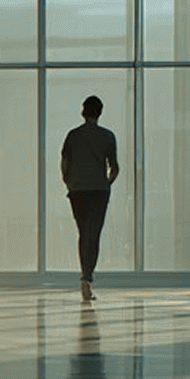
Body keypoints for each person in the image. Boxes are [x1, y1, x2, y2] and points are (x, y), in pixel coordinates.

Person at [60, 95, 119, 301]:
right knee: (93, 235)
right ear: (100, 112)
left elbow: (65, 163)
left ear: (83, 111)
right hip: (98, 191)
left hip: (78, 190)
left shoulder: (73, 136)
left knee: (83, 232)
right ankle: (87, 278)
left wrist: (69, 182)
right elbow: (114, 168)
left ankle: (85, 277)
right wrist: (106, 184)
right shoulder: (107, 136)